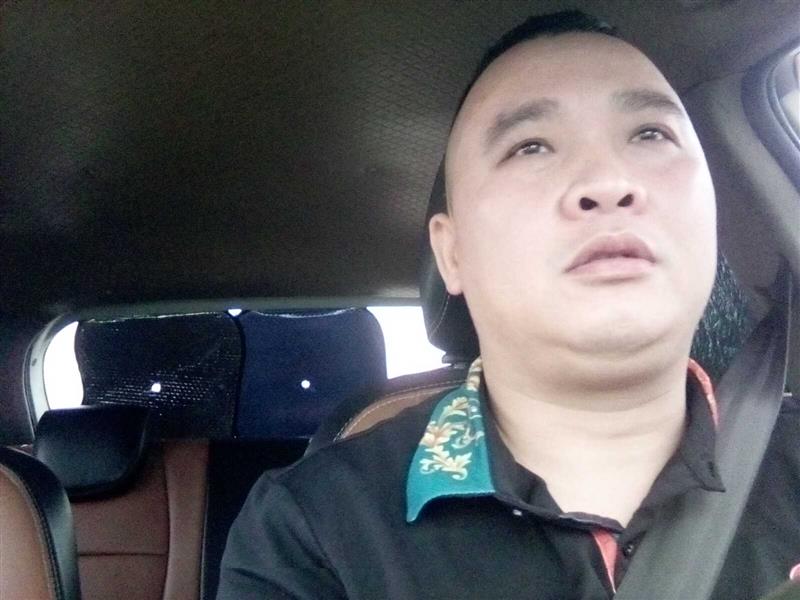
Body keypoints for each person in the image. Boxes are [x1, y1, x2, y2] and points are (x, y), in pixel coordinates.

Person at [218, 10, 800, 599]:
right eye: (530, 146)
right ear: (452, 254)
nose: (608, 182)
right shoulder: (311, 530)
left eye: (650, 134)